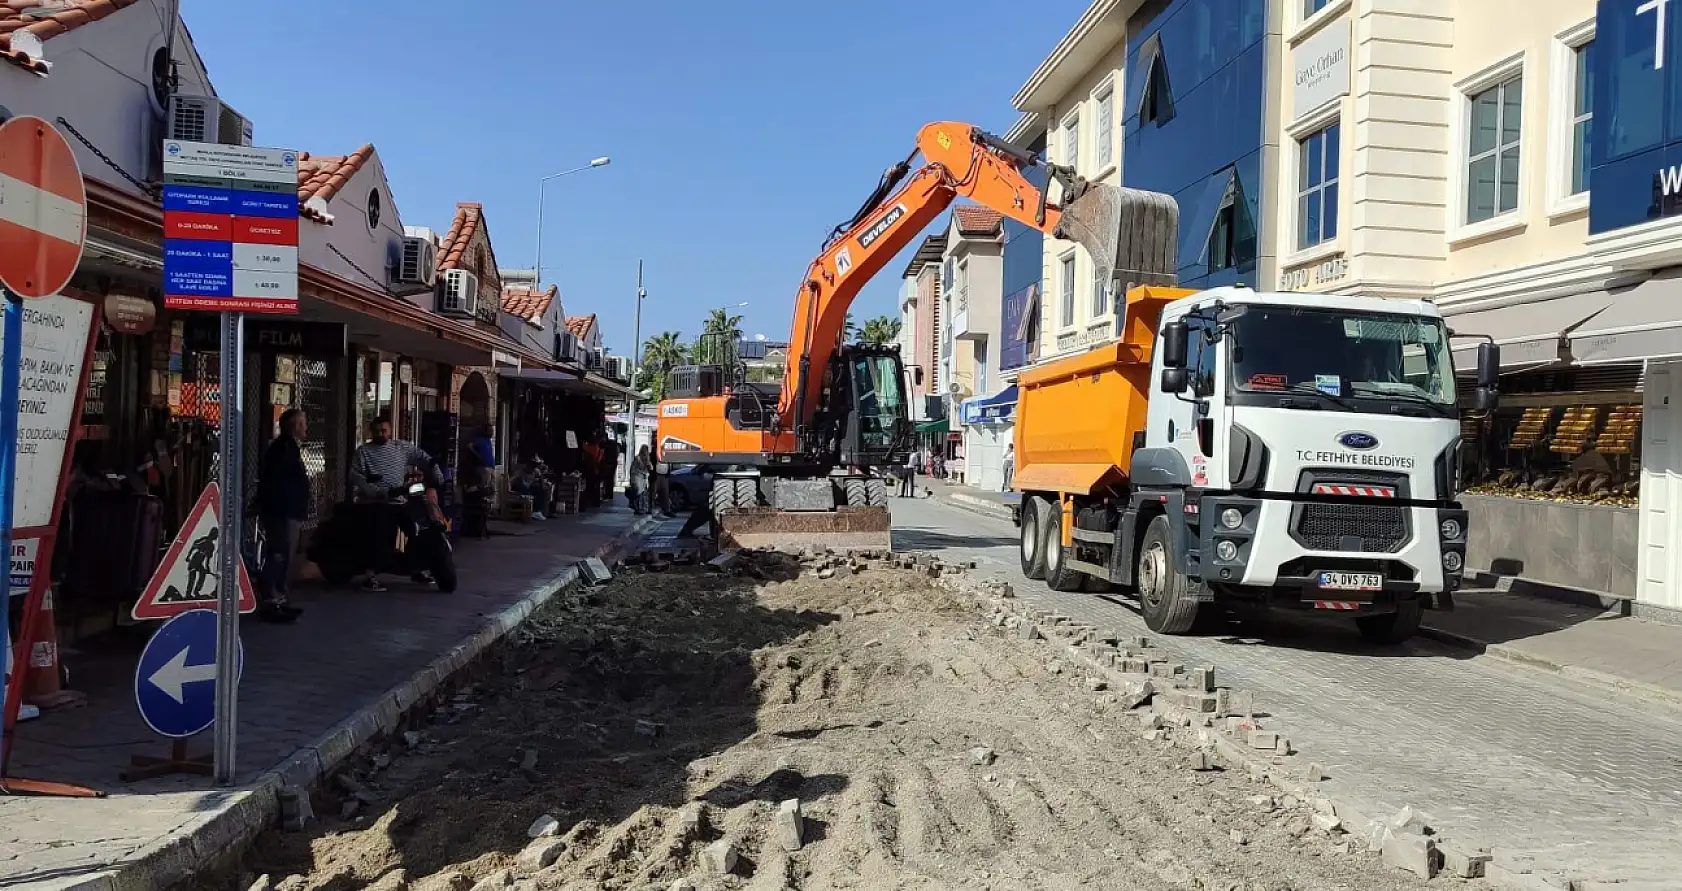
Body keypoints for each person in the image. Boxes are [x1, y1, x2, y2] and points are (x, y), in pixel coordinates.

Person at [350, 416, 440, 592]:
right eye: (376, 431)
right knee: (382, 536)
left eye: (384, 430)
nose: (380, 434)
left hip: (399, 500)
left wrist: (435, 470)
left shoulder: (401, 448)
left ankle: (417, 567)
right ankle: (371, 576)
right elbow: (356, 476)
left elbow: (422, 457)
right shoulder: (363, 452)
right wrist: (374, 490)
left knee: (417, 529)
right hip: (375, 502)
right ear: (371, 432)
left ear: (390, 430)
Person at [253, 408, 309, 623]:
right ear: (294, 426)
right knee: (278, 553)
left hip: (288, 511)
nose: (306, 428)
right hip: (282, 512)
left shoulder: (289, 449)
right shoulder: (283, 450)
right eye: (303, 424)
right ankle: (272, 598)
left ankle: (279, 597)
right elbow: (278, 483)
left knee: (284, 554)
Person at [629, 445, 653, 515]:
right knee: (638, 494)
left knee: (643, 494)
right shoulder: (638, 458)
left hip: (644, 478)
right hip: (638, 477)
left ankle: (642, 508)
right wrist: (632, 480)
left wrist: (648, 464)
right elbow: (633, 470)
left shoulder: (647, 459)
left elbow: (651, 468)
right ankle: (638, 509)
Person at [601, 434, 621, 505]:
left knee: (607, 479)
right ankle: (610, 495)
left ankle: (607, 495)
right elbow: (617, 453)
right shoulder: (613, 444)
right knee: (610, 479)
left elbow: (604, 454)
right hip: (613, 463)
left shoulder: (607, 445)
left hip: (608, 463)